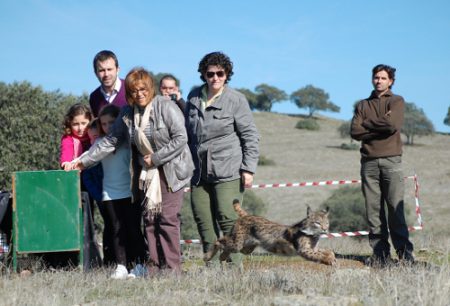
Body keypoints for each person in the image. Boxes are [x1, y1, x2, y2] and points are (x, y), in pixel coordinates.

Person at [72, 67, 194, 276]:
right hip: (146, 174)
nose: (139, 93)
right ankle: (154, 267)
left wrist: (156, 157)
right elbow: (110, 140)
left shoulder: (165, 106)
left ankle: (173, 269)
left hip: (171, 171)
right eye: (134, 90)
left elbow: (181, 138)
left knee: (166, 219)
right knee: (148, 219)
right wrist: (82, 161)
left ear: (150, 88)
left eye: (143, 89)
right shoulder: (128, 113)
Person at [185, 51, 259, 265]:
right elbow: (187, 135)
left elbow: (250, 136)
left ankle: (235, 271)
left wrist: (248, 169)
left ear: (227, 74)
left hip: (228, 170)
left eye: (220, 73)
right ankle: (212, 269)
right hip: (198, 171)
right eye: (210, 74)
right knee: (203, 221)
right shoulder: (193, 97)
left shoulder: (236, 99)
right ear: (203, 74)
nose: (215, 78)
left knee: (228, 219)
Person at [350, 64, 414, 266]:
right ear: (372, 79)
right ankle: (380, 256)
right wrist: (378, 124)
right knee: (373, 212)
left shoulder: (397, 101)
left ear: (391, 81)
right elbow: (354, 131)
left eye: (383, 78)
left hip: (391, 161)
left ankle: (405, 256)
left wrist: (367, 124)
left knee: (395, 209)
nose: (379, 81)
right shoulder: (362, 104)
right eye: (376, 77)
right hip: (368, 162)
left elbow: (392, 125)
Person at [89, 50, 127, 118]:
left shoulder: (130, 89)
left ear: (117, 70)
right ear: (96, 73)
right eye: (102, 70)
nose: (106, 74)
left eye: (109, 69)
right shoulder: (94, 98)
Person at [60, 103, 92, 170]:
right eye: (75, 124)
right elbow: (66, 150)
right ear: (69, 124)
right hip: (75, 170)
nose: (80, 128)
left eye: (84, 123)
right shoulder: (68, 138)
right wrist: (66, 162)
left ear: (90, 122)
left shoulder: (93, 135)